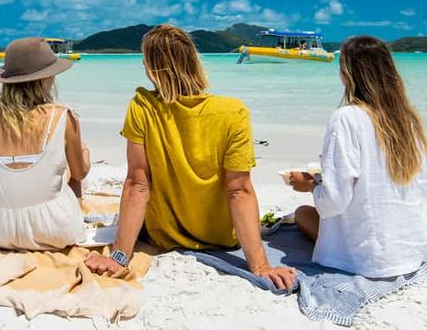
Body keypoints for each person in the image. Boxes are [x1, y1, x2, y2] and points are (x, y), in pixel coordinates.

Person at [84, 25, 296, 290]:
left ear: (152, 68)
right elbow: (239, 191)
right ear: (194, 62)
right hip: (223, 238)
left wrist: (119, 256)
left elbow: (138, 184)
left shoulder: (142, 107)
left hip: (165, 237)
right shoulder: (233, 112)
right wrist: (260, 265)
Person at [289, 35, 427, 278]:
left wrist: (311, 186)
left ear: (347, 74)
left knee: (303, 213)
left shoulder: (346, 118)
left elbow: (335, 201)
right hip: (411, 247)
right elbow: (419, 188)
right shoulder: (407, 120)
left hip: (369, 258)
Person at [0, 37, 91, 250]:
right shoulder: (62, 116)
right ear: (46, 79)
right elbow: (80, 173)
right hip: (55, 229)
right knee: (75, 165)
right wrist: (85, 153)